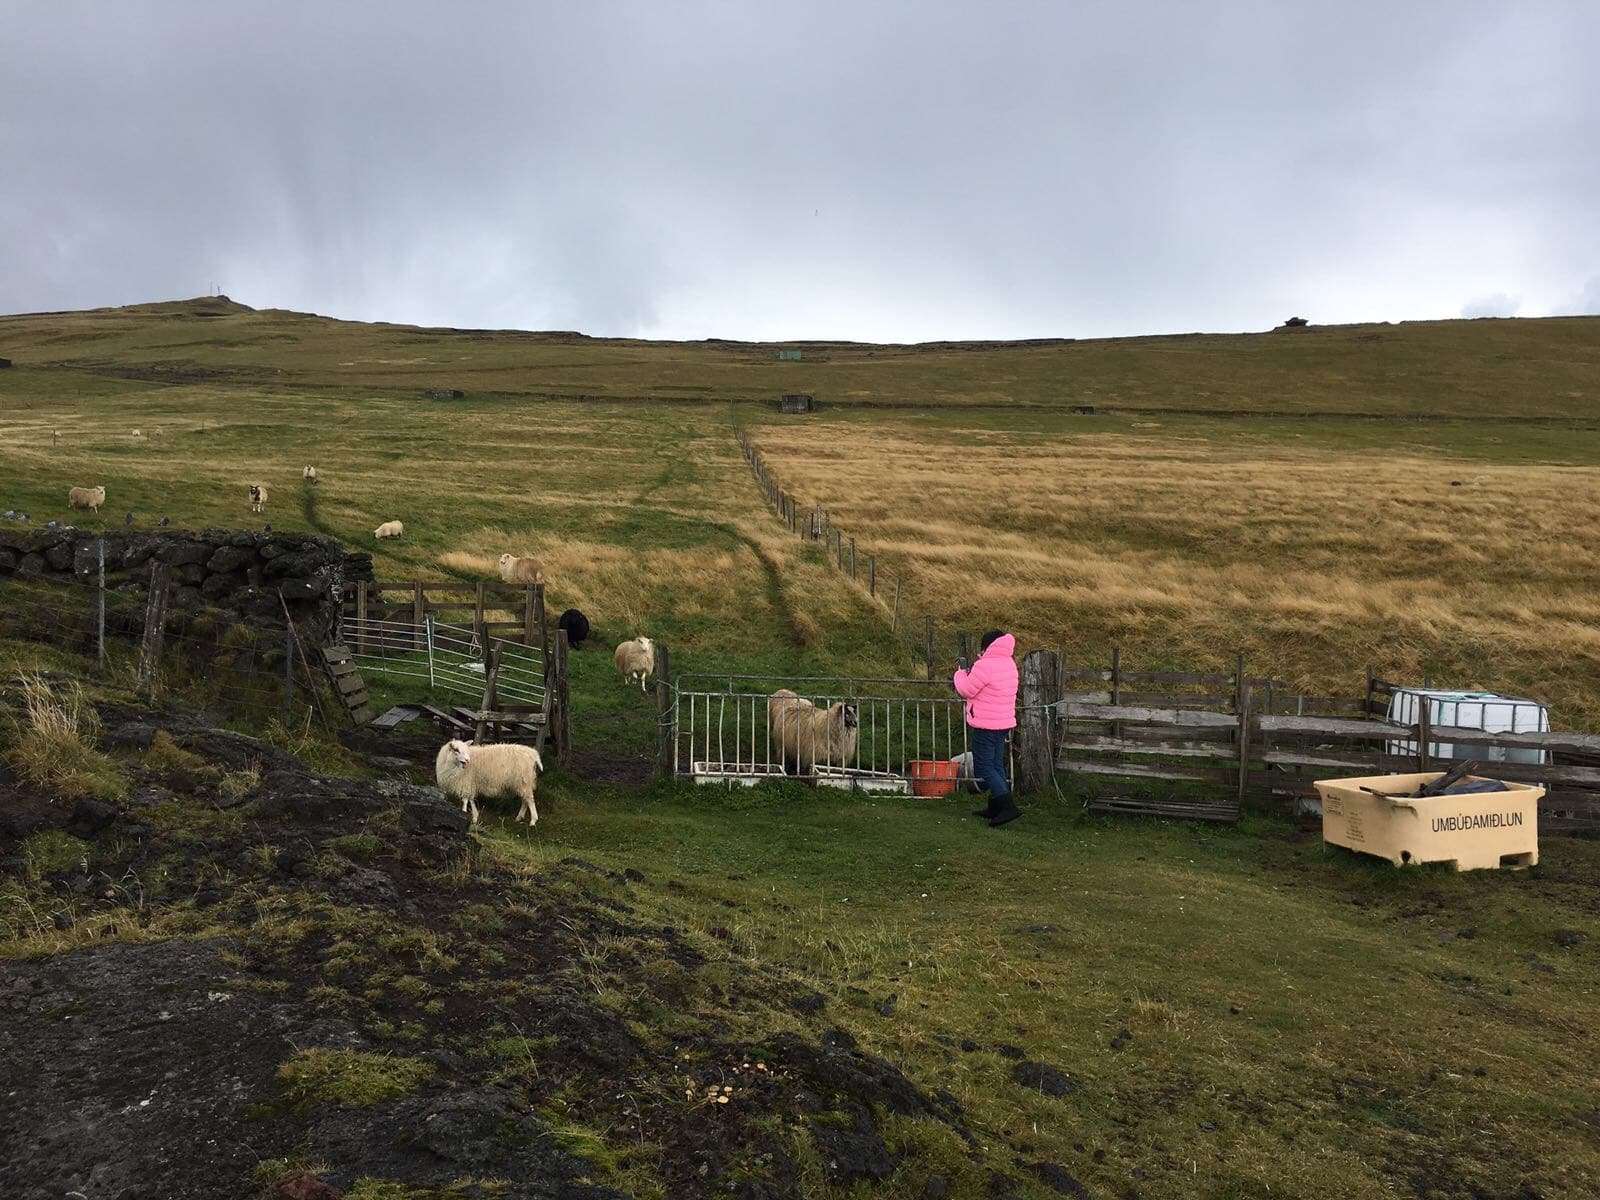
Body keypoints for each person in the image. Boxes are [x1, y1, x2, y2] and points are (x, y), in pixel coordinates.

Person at [953, 629, 1020, 827]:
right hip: (1003, 723)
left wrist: (959, 673)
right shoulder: (1009, 664)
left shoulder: (985, 666)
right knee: (997, 764)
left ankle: (1007, 806)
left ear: (986, 646)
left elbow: (966, 689)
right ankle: (996, 806)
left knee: (983, 766)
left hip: (985, 724)